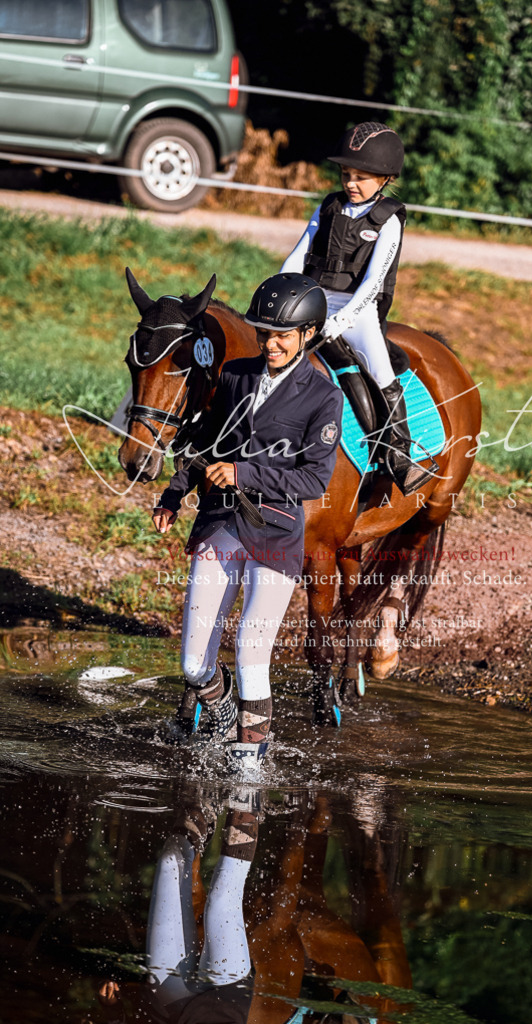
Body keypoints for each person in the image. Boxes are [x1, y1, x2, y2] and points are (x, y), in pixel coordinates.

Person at [152, 273, 343, 771]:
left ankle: (249, 758)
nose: (271, 343)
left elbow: (314, 481)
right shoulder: (234, 375)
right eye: (264, 333)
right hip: (220, 522)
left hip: (276, 535)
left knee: (251, 647)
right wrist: (174, 494)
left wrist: (243, 472)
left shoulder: (324, 397)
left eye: (282, 335)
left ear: (308, 335)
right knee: (194, 664)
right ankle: (217, 711)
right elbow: (202, 445)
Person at [280, 120, 433, 495]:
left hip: (358, 310)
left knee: (381, 372)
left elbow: (373, 282)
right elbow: (299, 253)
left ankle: (399, 455)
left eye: (361, 177)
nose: (350, 183)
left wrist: (342, 319)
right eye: (346, 174)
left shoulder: (389, 219)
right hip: (314, 298)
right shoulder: (329, 206)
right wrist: (281, 290)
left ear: (384, 179)